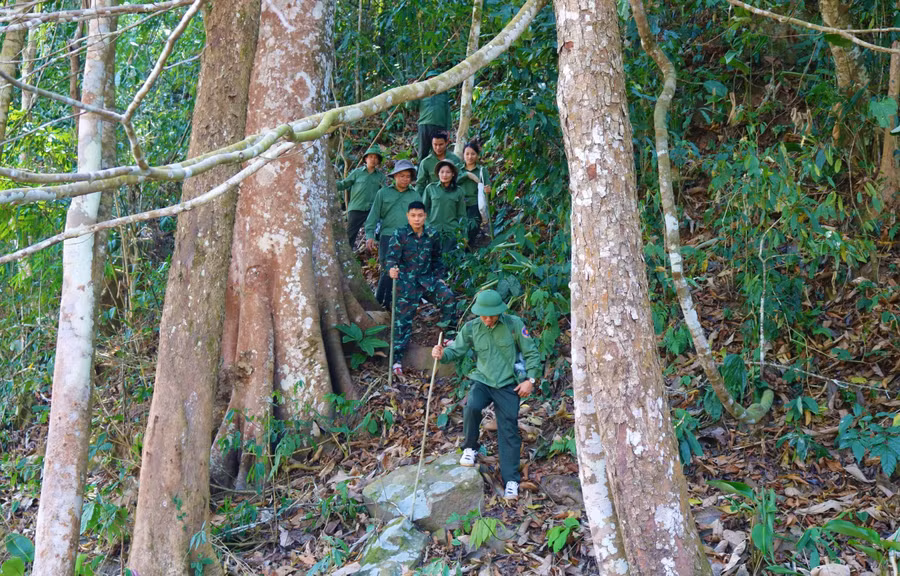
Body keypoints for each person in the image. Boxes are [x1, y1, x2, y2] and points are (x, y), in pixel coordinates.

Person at [431, 290, 540, 500]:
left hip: (508, 383)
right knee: (472, 405)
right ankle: (470, 448)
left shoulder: (514, 325)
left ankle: (511, 480)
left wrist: (531, 380)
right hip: (483, 380)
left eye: (492, 315)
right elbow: (456, 351)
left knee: (508, 429)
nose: (488, 319)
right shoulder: (471, 328)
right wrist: (442, 354)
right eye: (484, 315)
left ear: (500, 312)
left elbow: (531, 353)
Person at [386, 201, 456, 375]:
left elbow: (437, 259)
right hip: (406, 283)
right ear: (408, 216)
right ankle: (396, 360)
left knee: (448, 297)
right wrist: (392, 269)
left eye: (420, 215)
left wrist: (440, 279)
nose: (417, 219)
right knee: (402, 321)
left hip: (427, 280)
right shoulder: (400, 234)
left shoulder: (432, 234)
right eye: (413, 216)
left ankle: (449, 337)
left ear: (425, 216)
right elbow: (391, 258)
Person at [365, 159, 422, 307]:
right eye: (401, 175)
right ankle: (378, 301)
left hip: (407, 236)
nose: (405, 179)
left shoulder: (414, 196)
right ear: (395, 176)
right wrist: (370, 235)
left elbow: (420, 217)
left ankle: (391, 302)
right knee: (387, 268)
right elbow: (373, 215)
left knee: (401, 269)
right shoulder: (383, 193)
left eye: (408, 176)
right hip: (388, 236)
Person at [337, 144, 385, 244]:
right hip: (356, 208)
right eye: (371, 157)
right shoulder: (357, 173)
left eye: (376, 157)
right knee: (350, 235)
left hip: (372, 210)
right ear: (366, 159)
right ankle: (348, 257)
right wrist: (331, 184)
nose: (373, 159)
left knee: (375, 233)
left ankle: (374, 255)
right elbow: (344, 184)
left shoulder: (381, 177)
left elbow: (384, 194)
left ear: (378, 161)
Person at [422, 159, 465, 254]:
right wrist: (427, 227)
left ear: (453, 174)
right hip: (433, 231)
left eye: (448, 172)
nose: (444, 175)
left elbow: (461, 214)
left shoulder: (458, 191)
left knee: (447, 259)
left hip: (451, 231)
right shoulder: (430, 188)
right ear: (438, 173)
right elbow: (423, 210)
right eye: (442, 172)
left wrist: (463, 234)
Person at [456, 140, 491, 246]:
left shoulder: (481, 170)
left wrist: (488, 190)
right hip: (459, 202)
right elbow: (451, 182)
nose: (470, 157)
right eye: (467, 154)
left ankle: (468, 250)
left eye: (473, 154)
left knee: (472, 227)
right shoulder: (457, 168)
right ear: (463, 154)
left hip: (475, 203)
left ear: (477, 155)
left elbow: (487, 186)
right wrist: (466, 175)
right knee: (459, 227)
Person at [417, 72, 452, 164]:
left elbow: (447, 112)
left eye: (435, 78)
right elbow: (409, 105)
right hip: (424, 125)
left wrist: (448, 130)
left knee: (439, 152)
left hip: (439, 126)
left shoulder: (443, 94)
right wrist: (413, 88)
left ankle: (439, 174)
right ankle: (420, 176)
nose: (432, 80)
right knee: (423, 152)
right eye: (430, 78)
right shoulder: (422, 93)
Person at [416, 130, 463, 197]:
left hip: (452, 196)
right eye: (435, 144)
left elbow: (461, 178)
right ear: (431, 143)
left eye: (441, 144)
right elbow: (420, 184)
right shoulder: (426, 162)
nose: (438, 148)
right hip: (434, 198)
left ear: (446, 143)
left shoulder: (454, 159)